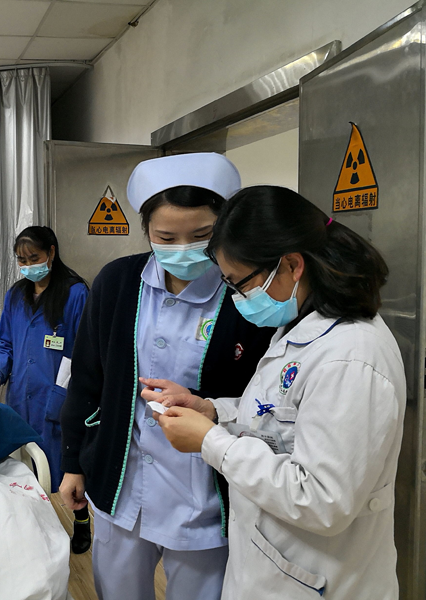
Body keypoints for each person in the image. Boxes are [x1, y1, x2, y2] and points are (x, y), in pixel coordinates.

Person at [150, 186, 404, 600]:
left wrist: (211, 442)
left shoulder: (350, 357)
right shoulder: (302, 325)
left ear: (291, 264)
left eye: (240, 283)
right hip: (274, 566)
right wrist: (212, 410)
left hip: (319, 581)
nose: (238, 298)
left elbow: (322, 500)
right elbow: (280, 415)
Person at [59, 154, 275, 600]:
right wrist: (72, 462)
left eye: (201, 235)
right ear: (147, 232)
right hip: (122, 482)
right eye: (166, 237)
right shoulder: (118, 282)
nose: (183, 249)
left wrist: (208, 407)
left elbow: (259, 393)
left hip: (204, 494)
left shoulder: (244, 291)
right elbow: (87, 378)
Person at [0, 226, 91, 553]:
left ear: (51, 253)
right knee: (25, 466)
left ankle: (81, 522)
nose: (28, 266)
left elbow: (82, 354)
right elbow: (6, 343)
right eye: (21, 260)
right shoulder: (16, 295)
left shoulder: (75, 293)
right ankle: (34, 526)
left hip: (58, 396)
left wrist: (64, 397)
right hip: (22, 396)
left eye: (34, 258)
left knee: (65, 468)